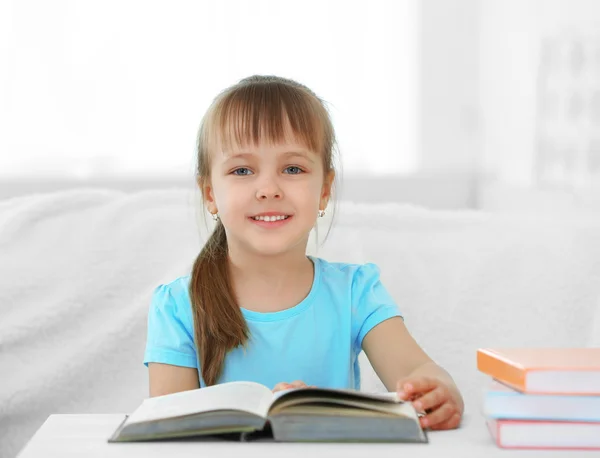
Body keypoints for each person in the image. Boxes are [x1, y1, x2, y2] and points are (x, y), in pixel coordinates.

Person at [144, 75, 464, 431]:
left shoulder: (356, 291)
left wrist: (439, 390)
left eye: (292, 169)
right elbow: (167, 430)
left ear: (324, 190)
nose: (268, 189)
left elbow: (415, 372)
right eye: (242, 170)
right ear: (210, 194)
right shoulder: (176, 306)